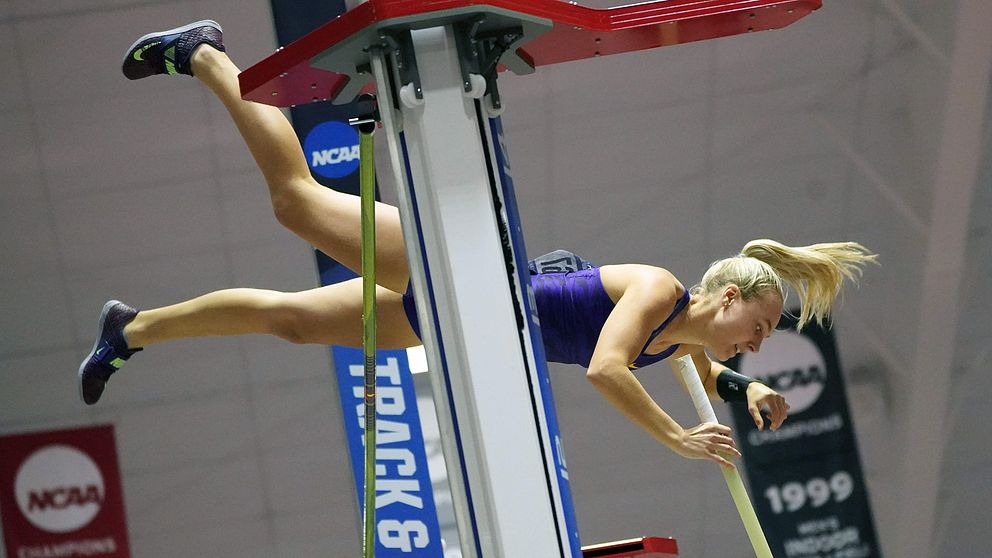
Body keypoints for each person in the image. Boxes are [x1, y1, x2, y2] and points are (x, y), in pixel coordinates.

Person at [79, 20, 877, 470]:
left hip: (458, 318)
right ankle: (206, 55)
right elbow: (603, 366)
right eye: (762, 326)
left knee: (292, 322)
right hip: (468, 280)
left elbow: (699, 362)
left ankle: (132, 329)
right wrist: (678, 436)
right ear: (727, 296)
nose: (759, 343)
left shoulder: (680, 340)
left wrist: (745, 392)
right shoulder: (658, 293)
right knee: (296, 203)